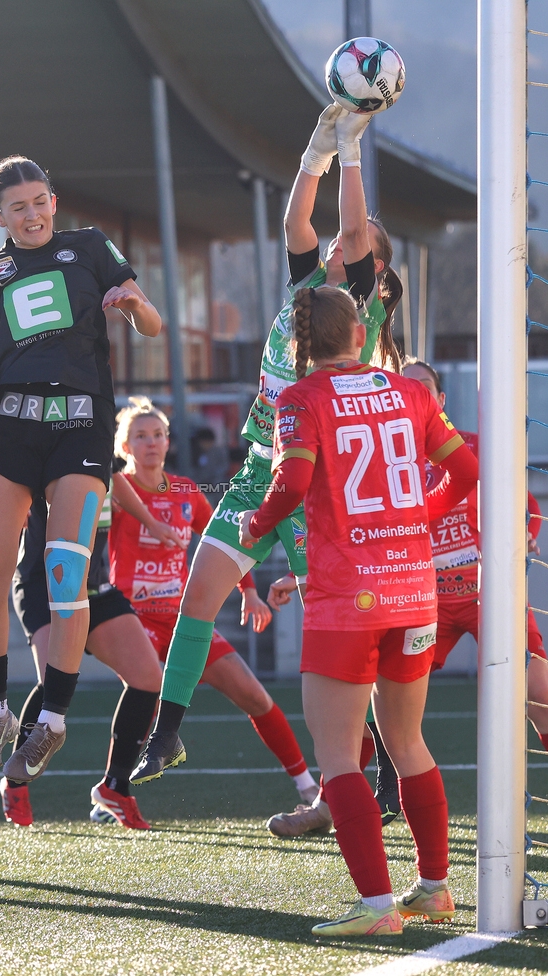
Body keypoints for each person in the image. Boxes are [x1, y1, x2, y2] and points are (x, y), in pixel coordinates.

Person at [131, 104, 404, 784]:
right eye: (344, 238)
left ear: (371, 258)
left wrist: (352, 154)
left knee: (337, 636)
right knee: (200, 595)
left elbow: (343, 226)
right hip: (260, 471)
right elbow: (296, 224)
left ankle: (388, 767)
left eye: (358, 238)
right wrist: (314, 156)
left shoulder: (360, 300)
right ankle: (166, 734)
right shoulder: (309, 285)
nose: (342, 243)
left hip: (316, 487)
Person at [0, 156, 162, 785]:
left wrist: (132, 301)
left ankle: (51, 720)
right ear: (0, 217)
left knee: (65, 571)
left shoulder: (91, 247)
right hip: (12, 426)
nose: (32, 214)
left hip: (81, 427)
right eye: (17, 207)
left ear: (55, 201)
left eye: (40, 201)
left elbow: (152, 325)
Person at [238, 285, 478, 937]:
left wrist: (252, 527)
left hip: (348, 596)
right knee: (407, 741)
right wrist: (420, 517)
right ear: (359, 334)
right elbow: (467, 468)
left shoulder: (302, 398)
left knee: (340, 756)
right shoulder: (412, 392)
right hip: (414, 589)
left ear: (299, 345)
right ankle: (433, 889)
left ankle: (376, 909)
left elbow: (289, 484)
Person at [109, 397, 319, 803]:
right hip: (134, 619)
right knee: (144, 696)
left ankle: (307, 786)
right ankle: (112, 792)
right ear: (123, 446)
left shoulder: (188, 491)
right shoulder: (119, 490)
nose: (151, 443)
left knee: (255, 696)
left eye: (158, 435)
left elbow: (228, 539)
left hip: (181, 618)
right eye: (140, 436)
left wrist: (249, 592)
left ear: (169, 442)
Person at [4, 473, 184, 828]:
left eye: (157, 435)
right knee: (53, 679)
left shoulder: (99, 443)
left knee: (148, 678)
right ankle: (16, 782)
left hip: (94, 586)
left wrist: (150, 521)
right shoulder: (51, 441)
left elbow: (115, 478)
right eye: (143, 436)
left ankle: (115, 787)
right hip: (43, 582)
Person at [402, 359, 548, 749]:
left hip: (488, 594)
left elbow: (529, 505)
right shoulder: (389, 460)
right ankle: (338, 798)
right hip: (422, 601)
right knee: (382, 705)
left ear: (440, 399)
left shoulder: (476, 447)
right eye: (406, 388)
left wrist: (526, 535)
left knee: (541, 698)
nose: (415, 395)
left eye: (424, 388)